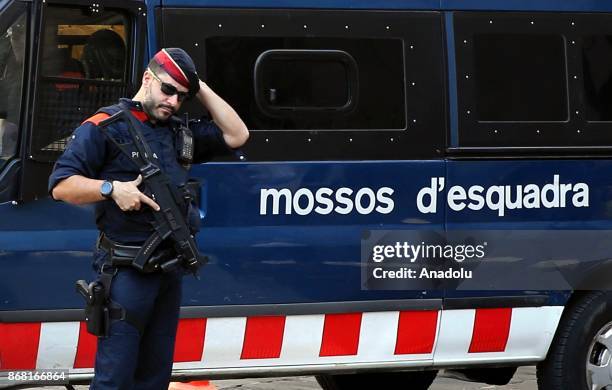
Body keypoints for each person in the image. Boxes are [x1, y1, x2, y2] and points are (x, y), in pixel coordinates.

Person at [48, 48, 249, 390]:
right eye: (167, 90)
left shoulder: (177, 133)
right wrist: (111, 189)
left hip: (168, 272)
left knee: (154, 379)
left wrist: (198, 87)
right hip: (127, 273)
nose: (172, 102)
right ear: (147, 78)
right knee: (114, 379)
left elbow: (237, 135)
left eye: (182, 97)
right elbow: (62, 185)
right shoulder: (104, 126)